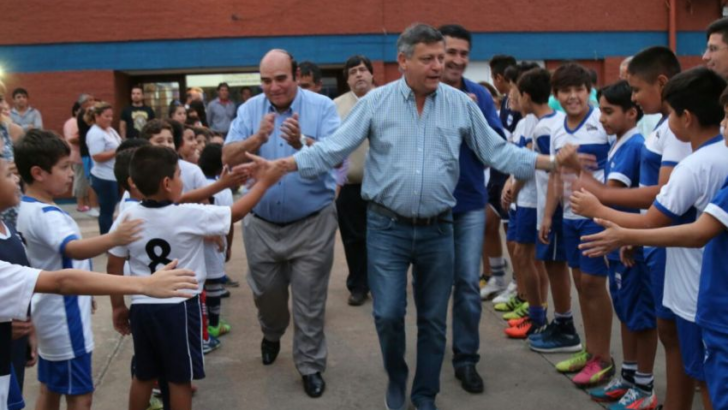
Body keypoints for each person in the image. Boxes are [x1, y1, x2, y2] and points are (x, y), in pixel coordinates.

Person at [248, 24, 576, 410]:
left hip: (439, 229)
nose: (438, 65)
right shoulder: (377, 102)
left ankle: (424, 396)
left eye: (441, 57)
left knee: (434, 321)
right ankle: (397, 382)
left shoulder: (461, 104)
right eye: (428, 59)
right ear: (403, 61)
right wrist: (284, 165)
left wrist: (551, 161)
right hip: (386, 228)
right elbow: (333, 149)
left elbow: (498, 152)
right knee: (387, 315)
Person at [574, 67, 727, 410]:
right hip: (705, 285)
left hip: (696, 292)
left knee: (705, 376)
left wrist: (598, 208)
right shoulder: (718, 157)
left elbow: (655, 221)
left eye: (671, 113)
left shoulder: (694, 165)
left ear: (685, 118)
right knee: (702, 373)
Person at [106, 145, 285, 410]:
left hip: (143, 307)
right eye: (179, 175)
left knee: (144, 374)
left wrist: (118, 305)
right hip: (179, 309)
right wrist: (265, 183)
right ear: (167, 183)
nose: (182, 180)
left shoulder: (127, 216)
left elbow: (113, 265)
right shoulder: (188, 214)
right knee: (179, 379)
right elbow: (235, 213)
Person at [222, 49, 340, 399]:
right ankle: (271, 333)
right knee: (267, 295)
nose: (273, 87)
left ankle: (310, 365)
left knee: (309, 301)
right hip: (262, 225)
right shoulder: (248, 110)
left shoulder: (322, 107)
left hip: (312, 224)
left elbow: (336, 155)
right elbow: (226, 156)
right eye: (266, 80)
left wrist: (300, 142)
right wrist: (257, 139)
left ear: (296, 74)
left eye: (280, 79)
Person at [14, 130, 143, 410]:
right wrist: (114, 238)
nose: (71, 174)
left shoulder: (27, 209)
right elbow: (71, 249)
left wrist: (86, 294)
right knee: (80, 396)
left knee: (50, 388)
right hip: (65, 319)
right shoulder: (48, 216)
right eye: (64, 167)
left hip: (48, 313)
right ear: (38, 172)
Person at [573, 81, 659, 408]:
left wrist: (577, 173)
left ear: (632, 113)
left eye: (609, 111)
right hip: (620, 244)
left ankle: (645, 387)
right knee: (626, 312)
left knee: (641, 317)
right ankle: (628, 375)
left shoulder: (634, 145)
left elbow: (608, 194)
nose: (602, 118)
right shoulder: (618, 143)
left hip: (631, 245)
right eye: (601, 110)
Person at [438, 23, 506, 393]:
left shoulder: (478, 95)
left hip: (466, 205)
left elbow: (497, 146)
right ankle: (431, 355)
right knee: (430, 288)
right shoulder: (420, 94)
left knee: (466, 284)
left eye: (464, 54)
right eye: (452, 52)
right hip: (425, 209)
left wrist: (476, 117)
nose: (458, 60)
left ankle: (466, 359)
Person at [544, 62, 614, 387]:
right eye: (565, 90)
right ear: (556, 95)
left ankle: (604, 359)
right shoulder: (557, 128)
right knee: (579, 284)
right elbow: (556, 175)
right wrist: (547, 215)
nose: (573, 96)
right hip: (569, 218)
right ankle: (590, 352)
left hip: (596, 216)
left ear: (590, 91)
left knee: (592, 284)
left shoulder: (603, 123)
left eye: (579, 89)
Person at [518, 68, 581, 356]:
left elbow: (549, 166)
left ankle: (565, 324)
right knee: (554, 266)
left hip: (552, 207)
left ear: (526, 96)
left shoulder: (543, 128)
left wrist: (545, 214)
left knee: (556, 267)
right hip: (552, 205)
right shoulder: (553, 122)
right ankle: (562, 321)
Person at [499, 67, 548, 340]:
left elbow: (528, 164)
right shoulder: (522, 123)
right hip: (521, 199)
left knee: (529, 258)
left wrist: (513, 186)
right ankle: (533, 309)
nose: (509, 98)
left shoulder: (536, 124)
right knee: (521, 255)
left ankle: (538, 314)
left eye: (513, 91)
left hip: (530, 199)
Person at [334, 55, 376, 306]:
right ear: (347, 79)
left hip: (383, 187)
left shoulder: (389, 100)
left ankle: (382, 283)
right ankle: (358, 285)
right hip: (349, 186)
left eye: (363, 70)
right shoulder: (336, 106)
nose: (359, 74)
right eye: (353, 72)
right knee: (353, 239)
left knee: (382, 238)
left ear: (372, 74)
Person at [85, 101, 122, 234]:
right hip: (104, 176)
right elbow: (97, 156)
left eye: (111, 116)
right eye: (106, 116)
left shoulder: (110, 130)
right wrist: (117, 151)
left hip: (113, 174)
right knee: (107, 211)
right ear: (97, 116)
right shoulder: (95, 133)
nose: (110, 119)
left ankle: (109, 235)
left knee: (111, 209)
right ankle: (106, 237)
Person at [63, 102, 92, 213]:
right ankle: (80, 204)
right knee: (81, 180)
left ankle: (84, 203)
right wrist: (87, 139)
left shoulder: (73, 122)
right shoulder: (73, 122)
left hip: (78, 155)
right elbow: (72, 139)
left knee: (84, 180)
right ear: (76, 111)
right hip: (77, 155)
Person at [75, 94, 100, 218]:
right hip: (87, 152)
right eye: (89, 100)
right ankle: (93, 206)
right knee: (91, 179)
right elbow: (89, 122)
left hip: (94, 151)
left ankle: (96, 205)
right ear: (83, 103)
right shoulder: (82, 114)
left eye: (93, 99)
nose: (93, 102)